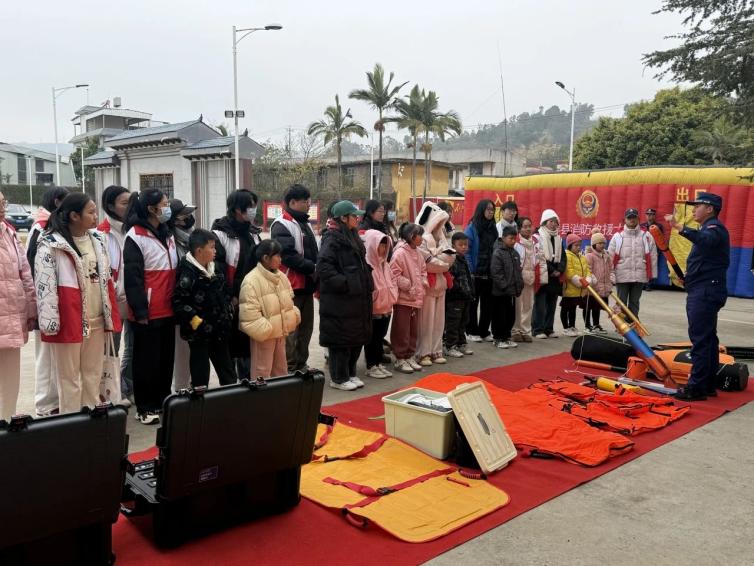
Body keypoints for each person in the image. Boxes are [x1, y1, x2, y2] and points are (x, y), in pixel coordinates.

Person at [36, 193, 120, 414]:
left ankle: (91, 419)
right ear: (74, 216)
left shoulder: (98, 240)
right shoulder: (50, 244)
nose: (96, 216)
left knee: (93, 376)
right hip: (69, 321)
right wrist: (50, 323)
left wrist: (109, 314)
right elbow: (44, 288)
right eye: (91, 212)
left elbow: (106, 280)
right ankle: (71, 422)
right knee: (68, 379)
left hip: (97, 319)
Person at [666, 193, 730, 401]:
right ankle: (707, 384)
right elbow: (705, 262)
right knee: (708, 339)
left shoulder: (714, 229)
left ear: (710, 209)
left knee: (701, 339)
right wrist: (690, 278)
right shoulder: (708, 228)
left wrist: (680, 227)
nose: (693, 210)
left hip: (705, 291)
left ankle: (696, 388)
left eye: (698, 206)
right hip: (703, 288)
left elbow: (706, 241)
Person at [124, 189, 178, 424]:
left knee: (165, 359)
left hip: (169, 307)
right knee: (146, 361)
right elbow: (133, 278)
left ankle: (163, 400)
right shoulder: (135, 236)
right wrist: (140, 310)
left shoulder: (167, 232)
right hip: (149, 310)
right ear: (151, 209)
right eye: (164, 204)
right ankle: (145, 407)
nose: (167, 208)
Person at [316, 201, 373, 391]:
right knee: (340, 340)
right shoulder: (332, 238)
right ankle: (338, 378)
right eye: (354, 216)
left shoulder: (352, 235)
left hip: (355, 297)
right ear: (343, 218)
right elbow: (324, 267)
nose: (357, 218)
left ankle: (350, 373)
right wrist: (345, 283)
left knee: (355, 337)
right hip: (339, 299)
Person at [172, 229, 236, 388]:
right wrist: (197, 322)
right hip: (199, 335)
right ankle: (200, 402)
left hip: (220, 331)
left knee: (228, 375)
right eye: (212, 247)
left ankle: (232, 400)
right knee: (200, 377)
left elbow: (226, 291)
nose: (215, 251)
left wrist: (227, 312)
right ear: (199, 251)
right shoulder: (187, 272)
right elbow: (179, 303)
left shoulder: (216, 268)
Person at [27, 185, 69, 417]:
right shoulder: (41, 228)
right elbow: (33, 267)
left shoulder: (51, 226)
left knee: (54, 356)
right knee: (45, 356)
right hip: (44, 303)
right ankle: (44, 404)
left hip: (53, 301)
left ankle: (54, 401)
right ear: (56, 202)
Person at [212, 190, 262, 379]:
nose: (254, 210)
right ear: (238, 210)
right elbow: (218, 271)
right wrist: (230, 296)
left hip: (252, 297)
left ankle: (248, 382)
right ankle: (232, 386)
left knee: (249, 344)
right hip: (231, 300)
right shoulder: (220, 234)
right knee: (231, 346)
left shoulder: (253, 233)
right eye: (250, 206)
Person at [271, 184, 319, 374]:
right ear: (292, 202)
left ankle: (301, 364)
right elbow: (287, 255)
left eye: (309, 200)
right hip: (291, 286)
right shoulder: (282, 224)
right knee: (291, 330)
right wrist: (312, 267)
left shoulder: (304, 223)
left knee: (306, 328)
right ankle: (289, 368)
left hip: (307, 285)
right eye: (305, 201)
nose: (309, 204)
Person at [239, 240, 301, 379]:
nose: (280, 259)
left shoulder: (281, 276)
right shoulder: (251, 281)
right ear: (266, 258)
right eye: (277, 256)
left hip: (279, 334)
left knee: (280, 372)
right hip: (264, 336)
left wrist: (291, 317)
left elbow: (289, 301)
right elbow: (249, 315)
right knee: (262, 373)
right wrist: (267, 330)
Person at [0, 192, 36, 421]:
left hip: (11, 317)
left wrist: (31, 309)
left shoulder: (10, 233)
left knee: (10, 381)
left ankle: (6, 424)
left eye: (3, 203)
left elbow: (25, 276)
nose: (2, 208)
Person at [97, 185, 132, 405]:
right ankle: (113, 393)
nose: (129, 207)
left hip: (135, 297)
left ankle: (127, 386)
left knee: (134, 347)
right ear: (110, 206)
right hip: (114, 300)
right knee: (112, 347)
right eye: (124, 203)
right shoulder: (101, 234)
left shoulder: (134, 229)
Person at [416, 201, 455, 366]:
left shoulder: (441, 237)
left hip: (441, 284)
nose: (440, 225)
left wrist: (440, 259)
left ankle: (436, 349)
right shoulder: (421, 238)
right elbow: (427, 263)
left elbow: (451, 257)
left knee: (439, 321)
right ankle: (423, 352)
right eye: (437, 221)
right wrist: (443, 261)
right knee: (425, 321)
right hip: (427, 286)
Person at [168, 198, 198, 391]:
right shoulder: (169, 239)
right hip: (180, 301)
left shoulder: (192, 237)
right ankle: (181, 389)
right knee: (182, 350)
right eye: (182, 215)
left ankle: (196, 384)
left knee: (196, 348)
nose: (187, 218)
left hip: (197, 301)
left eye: (188, 214)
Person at [390, 223, 427, 374]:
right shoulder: (400, 253)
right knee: (401, 329)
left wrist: (422, 283)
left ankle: (409, 355)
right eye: (420, 235)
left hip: (415, 298)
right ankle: (400, 358)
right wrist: (408, 285)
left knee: (413, 329)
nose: (422, 238)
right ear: (412, 236)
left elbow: (423, 271)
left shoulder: (418, 253)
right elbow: (393, 274)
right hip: (403, 299)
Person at [607, 208, 657, 318]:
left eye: (634, 217)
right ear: (624, 220)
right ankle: (622, 324)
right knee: (621, 302)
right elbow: (610, 257)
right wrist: (610, 274)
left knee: (635, 302)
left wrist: (652, 274)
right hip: (622, 275)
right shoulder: (617, 236)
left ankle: (634, 323)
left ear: (638, 219)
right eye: (629, 218)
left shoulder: (646, 236)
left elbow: (653, 255)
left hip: (639, 275)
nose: (632, 220)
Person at [362, 230, 398, 379]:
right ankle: (371, 365)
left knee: (380, 337)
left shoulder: (385, 264)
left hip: (386, 308)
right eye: (380, 245)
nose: (383, 249)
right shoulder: (367, 265)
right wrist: (376, 297)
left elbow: (393, 280)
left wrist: (392, 294)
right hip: (374, 309)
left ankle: (377, 363)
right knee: (372, 338)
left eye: (385, 246)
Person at [464, 199, 498, 343]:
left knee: (488, 304)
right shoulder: (472, 227)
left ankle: (484, 331)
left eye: (492, 210)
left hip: (490, 272)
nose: (491, 212)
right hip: (475, 273)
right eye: (488, 209)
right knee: (473, 304)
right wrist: (470, 270)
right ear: (481, 210)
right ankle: (471, 331)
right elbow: (466, 251)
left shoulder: (493, 228)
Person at [532, 209, 566, 339]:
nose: (553, 224)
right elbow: (539, 256)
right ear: (544, 222)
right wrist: (552, 270)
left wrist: (560, 270)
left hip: (555, 275)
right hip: (543, 272)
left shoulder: (558, 237)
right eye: (551, 221)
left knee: (552, 303)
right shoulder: (538, 236)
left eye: (555, 222)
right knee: (540, 304)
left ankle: (548, 328)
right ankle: (537, 329)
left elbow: (563, 256)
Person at [512, 217, 547, 343]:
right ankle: (515, 331)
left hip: (532, 277)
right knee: (517, 306)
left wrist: (542, 277)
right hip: (519, 278)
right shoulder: (515, 242)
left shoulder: (536, 241)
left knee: (528, 305)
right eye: (525, 226)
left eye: (529, 226)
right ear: (519, 228)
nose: (528, 229)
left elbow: (541, 259)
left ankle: (525, 331)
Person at [490, 226, 524, 348]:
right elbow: (496, 273)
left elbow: (518, 272)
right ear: (503, 238)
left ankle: (506, 337)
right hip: (500, 292)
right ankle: (498, 338)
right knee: (499, 316)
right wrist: (504, 286)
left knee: (510, 316)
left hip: (511, 292)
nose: (513, 241)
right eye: (511, 238)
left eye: (515, 238)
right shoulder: (498, 253)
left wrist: (519, 286)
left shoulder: (515, 253)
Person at [444, 231, 474, 357]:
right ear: (453, 245)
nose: (464, 247)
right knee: (453, 322)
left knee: (463, 321)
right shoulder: (452, 260)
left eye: (466, 244)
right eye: (460, 245)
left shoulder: (464, 259)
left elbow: (467, 278)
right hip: (454, 298)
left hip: (465, 297)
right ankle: (450, 345)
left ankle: (461, 343)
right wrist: (459, 288)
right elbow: (450, 279)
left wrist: (470, 291)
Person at [561, 234, 595, 337]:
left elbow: (588, 270)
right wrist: (579, 282)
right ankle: (565, 328)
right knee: (566, 308)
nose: (578, 247)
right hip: (569, 288)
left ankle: (572, 326)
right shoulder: (567, 256)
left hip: (579, 290)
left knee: (573, 308)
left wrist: (588, 279)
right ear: (569, 245)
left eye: (580, 245)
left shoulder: (582, 257)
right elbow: (569, 271)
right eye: (576, 245)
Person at [584, 232, 612, 334]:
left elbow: (611, 269)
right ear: (594, 244)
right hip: (592, 287)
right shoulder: (589, 256)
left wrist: (611, 280)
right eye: (599, 243)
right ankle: (587, 325)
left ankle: (596, 324)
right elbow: (588, 270)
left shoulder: (606, 256)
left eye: (603, 243)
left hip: (603, 286)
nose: (602, 245)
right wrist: (592, 280)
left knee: (597, 307)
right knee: (588, 306)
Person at [640, 208, 664, 291]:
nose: (649, 216)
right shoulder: (641, 226)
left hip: (654, 249)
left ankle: (649, 284)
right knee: (642, 266)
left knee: (652, 266)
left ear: (654, 216)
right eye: (648, 214)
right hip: (643, 248)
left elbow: (661, 239)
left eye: (651, 214)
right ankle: (642, 284)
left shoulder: (659, 226)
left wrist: (659, 250)